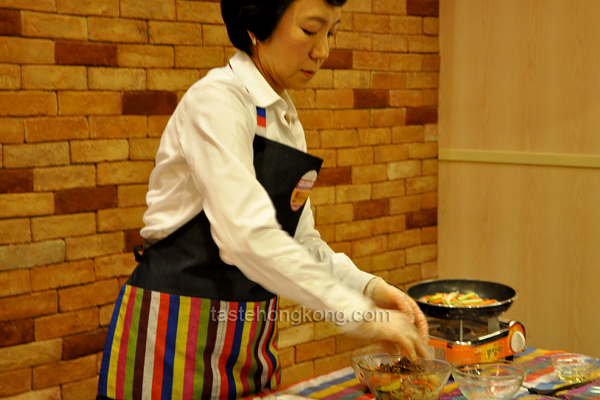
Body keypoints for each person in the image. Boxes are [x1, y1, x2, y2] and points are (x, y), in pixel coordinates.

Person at [96, 0, 429, 398]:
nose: (322, 51)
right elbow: (246, 237)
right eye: (310, 30)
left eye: (332, 33)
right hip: (173, 339)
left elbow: (301, 242)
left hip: (247, 347)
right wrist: (359, 316)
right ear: (257, 25)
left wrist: (370, 288)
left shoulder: (286, 121)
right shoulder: (216, 101)